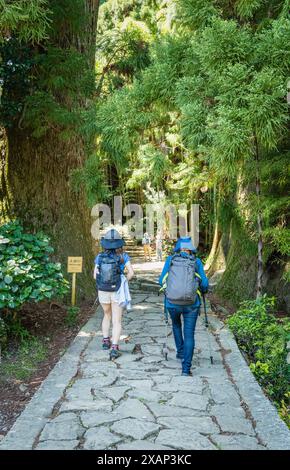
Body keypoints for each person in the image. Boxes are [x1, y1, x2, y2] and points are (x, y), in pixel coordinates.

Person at [159, 237, 208, 376]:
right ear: (191, 249)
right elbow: (204, 284)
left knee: (176, 325)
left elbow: (161, 280)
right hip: (191, 304)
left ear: (178, 248)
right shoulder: (196, 262)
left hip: (172, 303)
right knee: (189, 335)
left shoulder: (171, 260)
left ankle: (180, 352)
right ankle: (186, 369)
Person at [94, 229, 134, 360]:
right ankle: (114, 347)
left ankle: (106, 341)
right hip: (117, 291)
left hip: (103, 290)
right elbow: (131, 273)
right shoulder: (123, 256)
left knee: (106, 315)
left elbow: (95, 275)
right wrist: (123, 281)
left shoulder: (99, 257)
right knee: (117, 321)